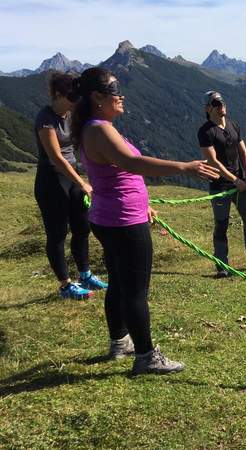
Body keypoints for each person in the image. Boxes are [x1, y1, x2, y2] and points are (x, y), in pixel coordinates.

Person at [72, 67, 219, 375]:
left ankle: (120, 342)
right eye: (115, 91)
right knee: (135, 291)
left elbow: (116, 173)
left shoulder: (92, 127)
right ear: (98, 98)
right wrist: (185, 167)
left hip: (111, 215)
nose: (121, 96)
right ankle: (147, 356)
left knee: (120, 285)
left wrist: (145, 204)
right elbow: (132, 163)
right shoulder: (100, 129)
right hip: (124, 221)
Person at [34, 71, 107, 300]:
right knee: (57, 234)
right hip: (52, 181)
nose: (75, 103)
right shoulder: (45, 119)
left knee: (82, 228)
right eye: (71, 98)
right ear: (58, 95)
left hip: (73, 177)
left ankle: (85, 274)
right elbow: (56, 157)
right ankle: (66, 285)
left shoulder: (69, 115)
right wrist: (82, 182)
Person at [198, 90, 246, 278]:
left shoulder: (233, 125)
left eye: (222, 102)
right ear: (208, 108)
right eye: (215, 103)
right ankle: (222, 265)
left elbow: (243, 152)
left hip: (240, 183)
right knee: (221, 224)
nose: (220, 106)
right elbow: (213, 161)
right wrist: (235, 180)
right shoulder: (206, 131)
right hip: (220, 185)